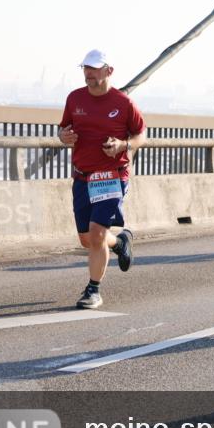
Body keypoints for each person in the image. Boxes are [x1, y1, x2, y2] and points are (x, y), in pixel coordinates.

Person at [58, 49, 146, 309]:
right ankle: (119, 242)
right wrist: (63, 136)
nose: (89, 73)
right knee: (87, 239)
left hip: (111, 176)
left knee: (97, 234)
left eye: (94, 69)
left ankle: (93, 290)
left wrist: (122, 145)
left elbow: (141, 135)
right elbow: (63, 129)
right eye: (86, 68)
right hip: (82, 176)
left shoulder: (123, 102)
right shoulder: (75, 98)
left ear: (109, 71)